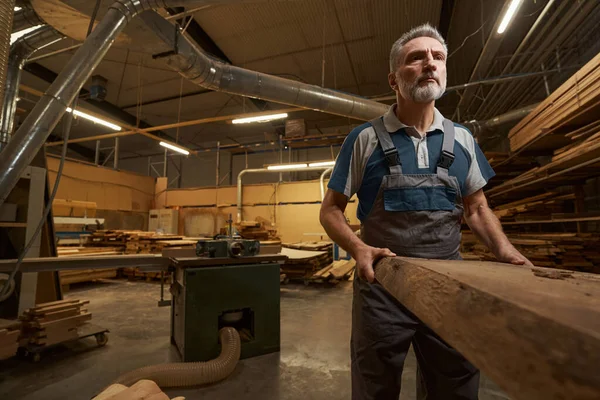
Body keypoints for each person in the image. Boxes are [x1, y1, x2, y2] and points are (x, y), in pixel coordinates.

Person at [319, 23, 533, 400]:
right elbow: (332, 210)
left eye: (437, 57)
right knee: (374, 385)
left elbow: (478, 207)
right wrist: (358, 250)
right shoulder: (365, 139)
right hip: (382, 287)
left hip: (448, 285)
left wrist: (504, 250)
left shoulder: (463, 138)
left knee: (455, 383)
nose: (429, 63)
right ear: (393, 79)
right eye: (416, 57)